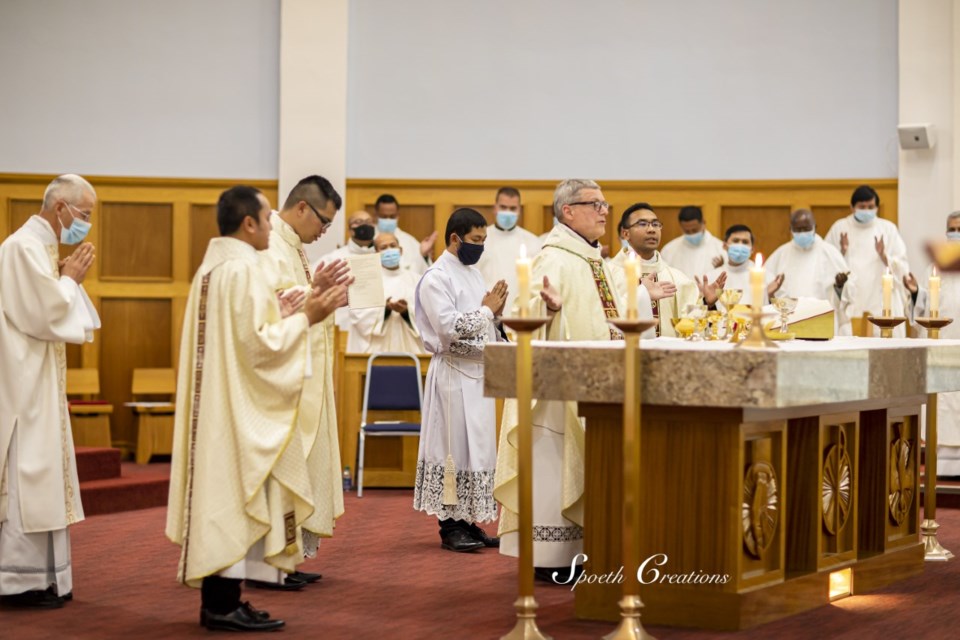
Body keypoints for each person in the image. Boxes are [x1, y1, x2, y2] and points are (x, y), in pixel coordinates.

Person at [166, 185, 346, 632]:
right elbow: (260, 347)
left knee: (225, 494)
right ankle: (221, 606)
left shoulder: (219, 267)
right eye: (268, 220)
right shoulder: (242, 271)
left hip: (224, 402)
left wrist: (288, 310)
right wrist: (308, 317)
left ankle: (225, 600)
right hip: (235, 408)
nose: (272, 227)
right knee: (233, 493)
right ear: (248, 223)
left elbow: (249, 334)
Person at [494, 179, 619, 582]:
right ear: (568, 211)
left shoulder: (590, 258)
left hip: (591, 384)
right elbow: (521, 318)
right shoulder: (554, 259)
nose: (604, 211)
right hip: (553, 396)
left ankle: (578, 553)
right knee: (554, 467)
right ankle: (548, 558)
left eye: (605, 204)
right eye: (595, 204)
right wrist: (548, 311)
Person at [0, 174, 101, 609]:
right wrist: (71, 279)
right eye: (83, 214)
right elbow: (43, 314)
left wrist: (64, 279)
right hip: (24, 390)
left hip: (39, 382)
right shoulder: (22, 247)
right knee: (29, 478)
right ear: (59, 207)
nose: (85, 225)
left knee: (42, 479)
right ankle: (16, 581)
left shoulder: (40, 246)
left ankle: (44, 578)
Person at [256, 175, 351, 590]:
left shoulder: (292, 245)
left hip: (304, 373)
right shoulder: (271, 247)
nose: (325, 231)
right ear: (301, 209)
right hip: (281, 380)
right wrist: (316, 295)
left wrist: (322, 293)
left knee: (301, 467)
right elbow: (274, 307)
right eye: (324, 222)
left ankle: (288, 557)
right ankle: (269, 563)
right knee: (284, 468)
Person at [413, 208, 508, 552]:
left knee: (476, 451)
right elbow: (449, 330)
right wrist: (486, 311)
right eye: (475, 240)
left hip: (478, 374)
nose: (480, 247)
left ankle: (468, 520)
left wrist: (497, 316)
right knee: (452, 448)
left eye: (484, 240)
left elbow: (483, 321)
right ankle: (450, 526)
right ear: (455, 238)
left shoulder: (472, 272)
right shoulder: (437, 277)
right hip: (452, 374)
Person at [904, 211, 960, 475]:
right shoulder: (935, 265)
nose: (954, 233)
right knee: (942, 402)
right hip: (940, 343)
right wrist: (916, 293)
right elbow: (925, 306)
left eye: (959, 228)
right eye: (951, 228)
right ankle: (941, 467)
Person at [825, 185, 910, 337]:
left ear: (877, 207)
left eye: (870, 206)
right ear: (852, 207)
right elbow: (827, 264)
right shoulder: (840, 228)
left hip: (881, 300)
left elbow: (903, 268)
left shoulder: (888, 229)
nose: (866, 210)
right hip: (852, 301)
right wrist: (842, 252)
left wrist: (884, 256)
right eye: (862, 206)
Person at [609, 203, 699, 337]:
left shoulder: (678, 279)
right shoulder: (608, 273)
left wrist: (708, 304)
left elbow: (692, 328)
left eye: (656, 224)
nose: (651, 229)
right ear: (625, 233)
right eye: (642, 224)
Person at [764, 209, 856, 334]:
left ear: (815, 227)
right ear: (790, 229)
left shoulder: (829, 252)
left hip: (823, 323)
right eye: (798, 229)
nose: (802, 233)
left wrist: (840, 287)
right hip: (790, 323)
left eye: (806, 228)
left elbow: (848, 293)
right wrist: (770, 294)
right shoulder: (781, 254)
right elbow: (765, 289)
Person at [346, 232, 425, 355]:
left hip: (411, 350)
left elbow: (428, 314)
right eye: (383, 248)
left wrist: (406, 312)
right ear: (376, 253)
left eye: (393, 245)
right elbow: (358, 316)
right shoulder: (366, 280)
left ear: (401, 250)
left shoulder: (418, 280)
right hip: (376, 351)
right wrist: (385, 310)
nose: (389, 250)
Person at [476, 187, 542, 295]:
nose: (507, 212)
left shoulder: (533, 242)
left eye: (512, 208)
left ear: (519, 210)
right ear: (495, 208)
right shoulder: (479, 239)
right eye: (503, 207)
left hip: (520, 307)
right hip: (485, 306)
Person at [701, 224, 782, 308]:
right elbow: (706, 316)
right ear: (724, 246)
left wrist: (770, 295)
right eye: (735, 241)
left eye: (745, 242)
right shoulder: (712, 276)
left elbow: (779, 312)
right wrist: (708, 303)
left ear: (752, 249)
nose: (740, 245)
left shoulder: (766, 276)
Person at [374, 194, 437, 275]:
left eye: (392, 216)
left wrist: (424, 255)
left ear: (398, 216)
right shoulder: (367, 240)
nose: (388, 220)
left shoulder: (409, 241)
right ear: (376, 215)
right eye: (384, 216)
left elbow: (421, 272)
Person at [660, 205, 725, 278]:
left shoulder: (721, 248)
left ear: (703, 223)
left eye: (695, 230)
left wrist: (723, 268)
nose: (691, 234)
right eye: (687, 231)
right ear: (681, 226)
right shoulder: (669, 250)